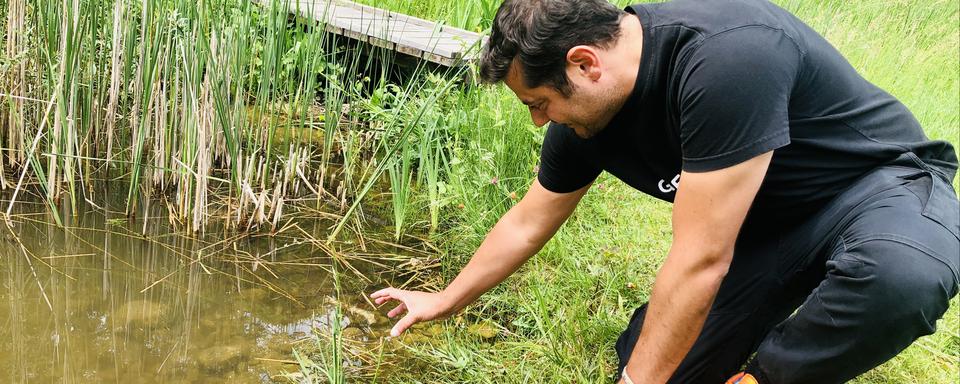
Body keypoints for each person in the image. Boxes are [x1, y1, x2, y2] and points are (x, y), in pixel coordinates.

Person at [370, 0, 960, 382]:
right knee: (659, 366)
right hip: (765, 227)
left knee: (902, 276)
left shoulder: (726, 56)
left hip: (873, 187)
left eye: (538, 104)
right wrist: (445, 299)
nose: (537, 122)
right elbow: (528, 220)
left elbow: (701, 257)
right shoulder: (585, 117)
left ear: (583, 64)